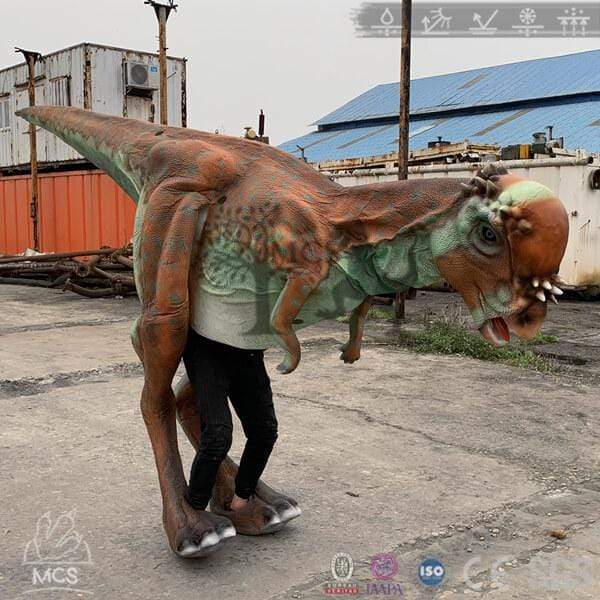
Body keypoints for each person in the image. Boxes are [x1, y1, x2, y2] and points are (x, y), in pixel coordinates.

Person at [182, 328, 278, 514]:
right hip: (205, 344)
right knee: (218, 435)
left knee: (265, 430)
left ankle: (238, 503)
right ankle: (194, 511)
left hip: (246, 343)